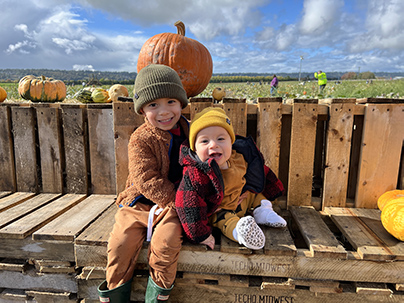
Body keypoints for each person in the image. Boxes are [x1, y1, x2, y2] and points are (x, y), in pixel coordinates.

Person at [97, 64, 189, 303]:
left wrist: (188, 202)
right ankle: (116, 294)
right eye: (153, 105)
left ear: (181, 103)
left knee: (166, 244)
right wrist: (176, 199)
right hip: (141, 200)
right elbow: (145, 179)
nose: (164, 111)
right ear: (142, 110)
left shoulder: (191, 132)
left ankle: (156, 296)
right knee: (120, 244)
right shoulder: (141, 138)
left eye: (171, 101)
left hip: (176, 205)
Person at [175, 107, 286, 251]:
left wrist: (275, 189)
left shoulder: (238, 158)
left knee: (256, 193)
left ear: (231, 142)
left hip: (243, 199)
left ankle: (263, 211)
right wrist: (201, 235)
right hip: (221, 209)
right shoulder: (197, 173)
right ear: (194, 148)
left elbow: (260, 172)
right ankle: (241, 233)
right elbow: (187, 203)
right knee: (225, 220)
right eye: (204, 141)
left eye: (221, 139)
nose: (213, 145)